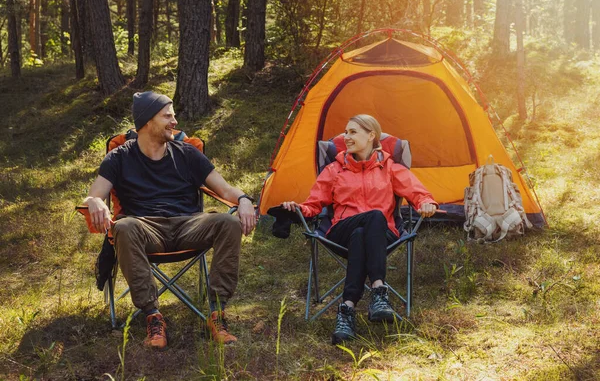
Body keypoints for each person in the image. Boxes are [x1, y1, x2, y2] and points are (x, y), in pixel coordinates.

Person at [83, 91, 256, 349]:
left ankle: (217, 313)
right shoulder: (119, 157)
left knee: (228, 222)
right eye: (167, 116)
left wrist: (243, 199)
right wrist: (94, 201)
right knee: (124, 226)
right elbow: (95, 194)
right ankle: (153, 316)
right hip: (144, 228)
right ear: (147, 121)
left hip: (189, 226)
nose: (174, 121)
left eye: (173, 115)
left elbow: (225, 189)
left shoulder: (187, 153)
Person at [282, 114, 437, 344]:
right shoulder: (335, 169)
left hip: (380, 234)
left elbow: (418, 192)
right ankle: (378, 291)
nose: (346, 137)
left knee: (363, 232)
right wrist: (299, 209)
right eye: (346, 132)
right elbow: (314, 203)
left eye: (353, 132)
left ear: (371, 135)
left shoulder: (389, 167)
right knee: (371, 218)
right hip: (340, 232)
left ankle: (346, 309)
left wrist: (427, 202)